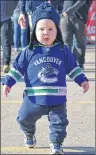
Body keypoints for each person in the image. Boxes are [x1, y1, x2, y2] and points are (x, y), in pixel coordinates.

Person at [3, 2, 89, 154]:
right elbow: (17, 68)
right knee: (24, 118)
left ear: (58, 31)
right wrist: (8, 82)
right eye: (41, 29)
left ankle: (56, 143)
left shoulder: (62, 50)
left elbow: (72, 68)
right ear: (34, 31)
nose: (46, 33)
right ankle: (29, 132)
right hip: (33, 99)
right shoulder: (29, 51)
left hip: (57, 99)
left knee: (59, 123)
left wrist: (81, 79)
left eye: (51, 29)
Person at [60, 0, 92, 70]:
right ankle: (66, 64)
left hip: (79, 19)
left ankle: (79, 64)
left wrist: (69, 11)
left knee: (79, 43)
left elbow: (81, 2)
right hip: (65, 19)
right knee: (66, 43)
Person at [1, 0, 18, 73]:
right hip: (6, 18)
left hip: (6, 19)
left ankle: (6, 64)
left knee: (6, 41)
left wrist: (11, 9)